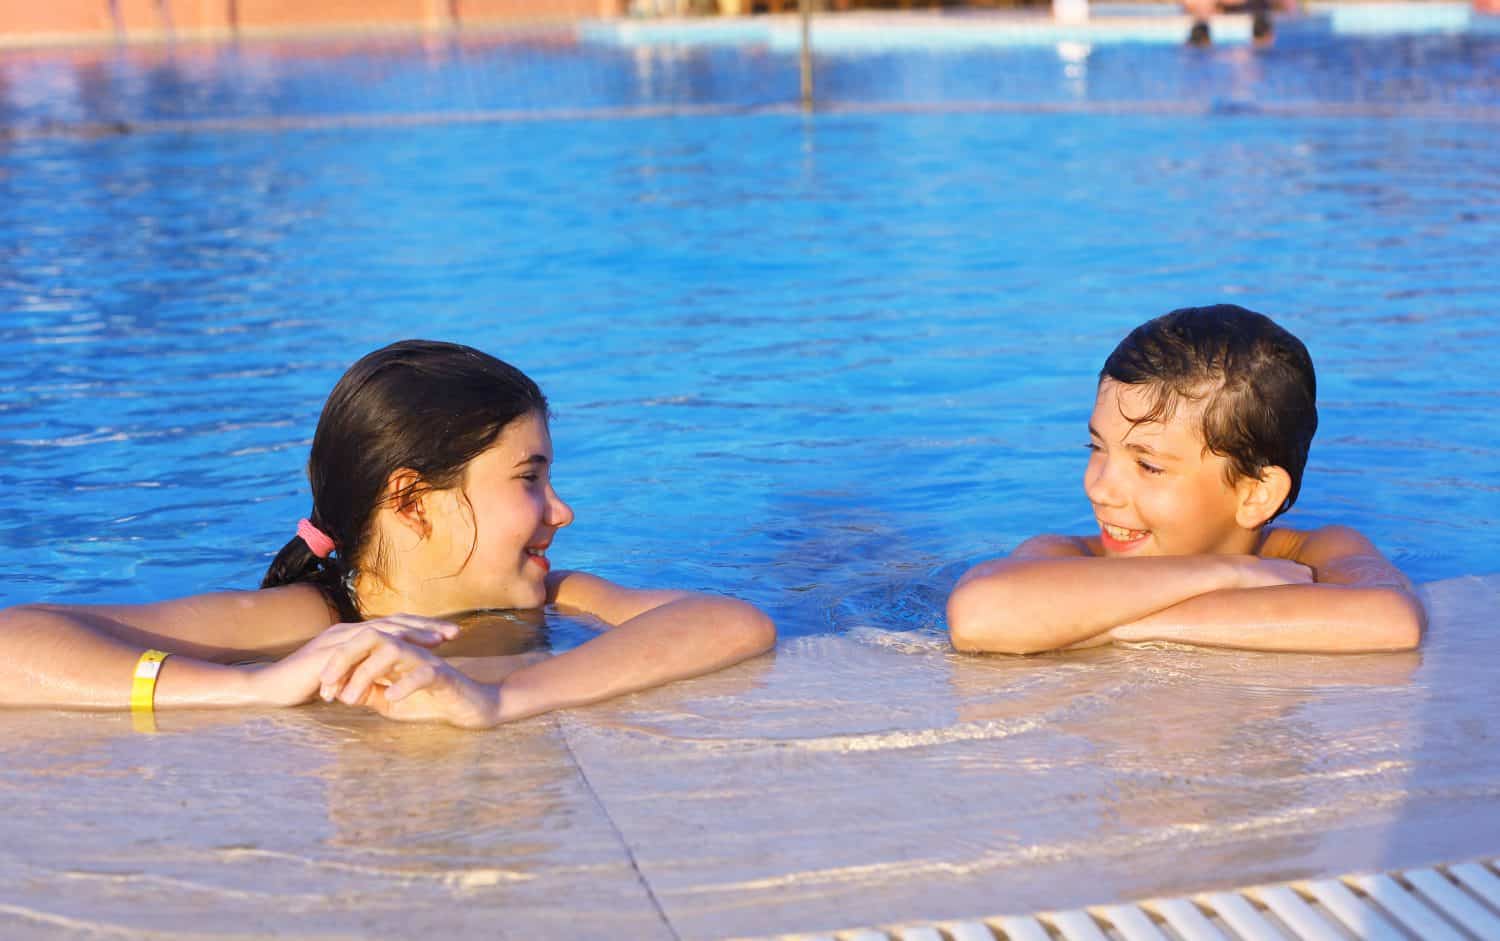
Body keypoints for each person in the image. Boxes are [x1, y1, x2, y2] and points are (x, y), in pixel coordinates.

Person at [0, 340, 776, 728]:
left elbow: (735, 623)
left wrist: (497, 699)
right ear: (411, 500)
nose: (560, 509)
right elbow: (15, 641)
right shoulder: (323, 617)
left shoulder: (557, 596)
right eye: (529, 477)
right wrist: (249, 685)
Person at [946, 305, 1425, 656]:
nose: (1099, 488)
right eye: (1097, 449)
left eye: (1148, 465)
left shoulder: (1316, 553)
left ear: (1256, 493)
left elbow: (1391, 620)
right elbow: (978, 614)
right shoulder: (1066, 555)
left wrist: (1110, 625)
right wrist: (1229, 574)